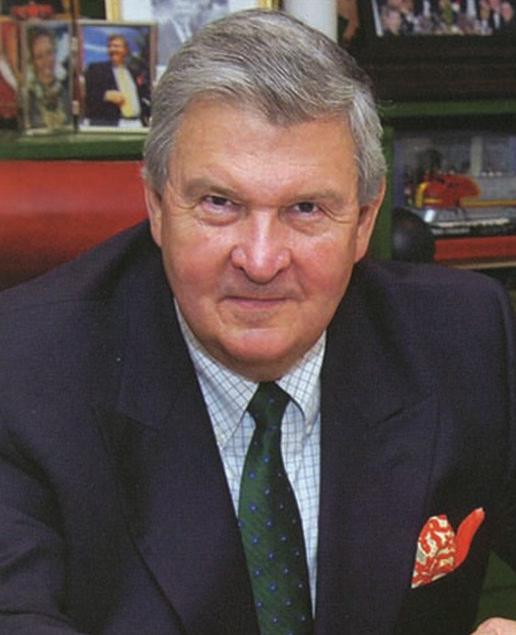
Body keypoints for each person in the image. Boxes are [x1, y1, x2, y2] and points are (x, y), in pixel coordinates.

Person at [0, 9, 515, 634]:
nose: (262, 260)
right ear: (157, 205)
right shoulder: (23, 369)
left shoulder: (464, 335)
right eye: (219, 203)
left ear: (363, 221)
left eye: (306, 208)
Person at [84, 33, 150, 127]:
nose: (112, 49)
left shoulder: (134, 72)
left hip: (136, 123)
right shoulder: (97, 70)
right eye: (110, 46)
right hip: (112, 125)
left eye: (116, 46)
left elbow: (144, 98)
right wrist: (105, 96)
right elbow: (88, 95)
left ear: (125, 50)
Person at [26, 26, 72, 130]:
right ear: (32, 61)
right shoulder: (28, 97)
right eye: (39, 56)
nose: (46, 61)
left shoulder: (67, 91)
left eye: (49, 53)